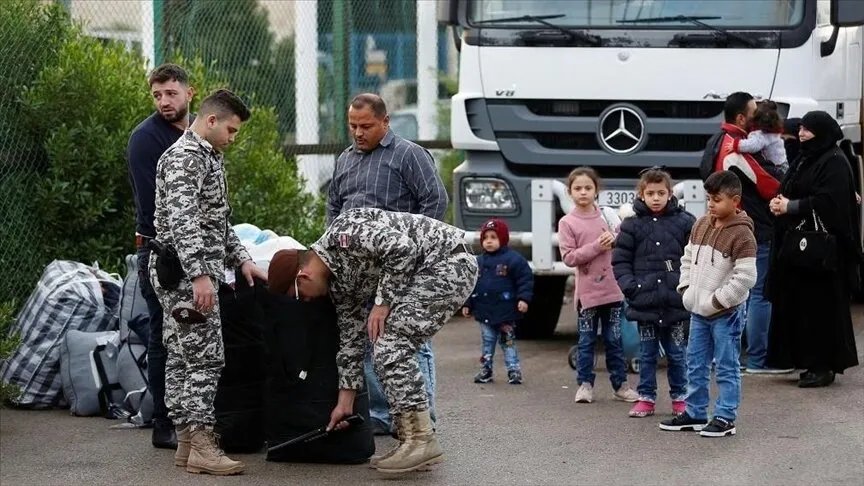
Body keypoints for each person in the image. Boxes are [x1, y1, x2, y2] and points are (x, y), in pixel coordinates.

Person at [268, 208, 478, 474]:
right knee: (383, 346)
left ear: (303, 276)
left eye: (300, 296)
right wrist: (345, 402)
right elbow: (350, 342)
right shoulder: (339, 286)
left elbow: (403, 248)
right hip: (425, 272)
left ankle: (421, 439)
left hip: (447, 261)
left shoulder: (343, 234)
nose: (307, 301)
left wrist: (383, 302)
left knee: (392, 343)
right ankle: (410, 439)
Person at [149, 89, 267, 475]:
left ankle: (186, 442)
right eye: (231, 130)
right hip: (185, 275)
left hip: (182, 272)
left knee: (182, 356)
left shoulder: (206, 157)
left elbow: (216, 221)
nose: (233, 138)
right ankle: (201, 442)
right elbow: (184, 222)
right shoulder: (186, 160)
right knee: (206, 358)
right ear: (211, 120)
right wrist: (200, 275)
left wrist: (243, 259)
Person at [327, 93, 448, 436]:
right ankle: (384, 414)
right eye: (353, 126)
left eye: (366, 126)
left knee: (410, 341)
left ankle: (424, 418)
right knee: (369, 339)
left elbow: (435, 200)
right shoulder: (345, 159)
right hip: (358, 271)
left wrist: (416, 252)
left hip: (401, 266)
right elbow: (334, 207)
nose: (358, 133)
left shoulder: (408, 155)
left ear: (385, 122)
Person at [126, 63, 194, 449]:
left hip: (195, 251)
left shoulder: (201, 130)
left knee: (193, 334)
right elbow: (156, 209)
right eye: (157, 95)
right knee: (162, 335)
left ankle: (193, 417)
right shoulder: (145, 139)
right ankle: (163, 423)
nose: (164, 102)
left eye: (170, 93)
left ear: (189, 92)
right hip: (159, 252)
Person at [660, 171, 757, 438]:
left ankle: (726, 416)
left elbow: (747, 277)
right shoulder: (701, 224)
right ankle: (695, 412)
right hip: (698, 310)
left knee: (726, 365)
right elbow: (687, 257)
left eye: (717, 199)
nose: (711, 204)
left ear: (735, 201)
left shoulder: (742, 235)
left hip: (726, 313)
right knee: (695, 362)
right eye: (708, 199)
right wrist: (686, 289)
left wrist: (717, 301)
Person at [766, 111, 860, 387]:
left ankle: (823, 366)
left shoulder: (834, 162)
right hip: (801, 253)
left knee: (821, 309)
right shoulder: (809, 158)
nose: (802, 134)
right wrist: (779, 202)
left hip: (823, 257)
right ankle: (806, 362)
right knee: (802, 307)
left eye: (809, 130)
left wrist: (791, 206)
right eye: (802, 129)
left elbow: (830, 202)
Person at [701, 92, 787, 375]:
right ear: (740, 118)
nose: (758, 117)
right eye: (753, 112)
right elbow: (768, 184)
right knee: (757, 293)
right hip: (752, 227)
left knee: (724, 289)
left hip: (722, 228)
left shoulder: (714, 142)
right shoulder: (736, 150)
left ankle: (720, 357)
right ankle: (757, 360)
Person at [612, 168, 695, 418]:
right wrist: (631, 287)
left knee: (677, 354)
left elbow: (695, 257)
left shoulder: (685, 222)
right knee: (646, 353)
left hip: (676, 302)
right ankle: (646, 397)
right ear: (641, 194)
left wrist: (688, 286)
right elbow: (621, 261)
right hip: (645, 302)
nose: (656, 198)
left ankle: (680, 397)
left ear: (670, 194)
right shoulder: (631, 225)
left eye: (661, 193)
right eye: (650, 193)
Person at [558, 167, 639, 405]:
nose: (583, 192)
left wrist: (616, 240)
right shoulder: (567, 222)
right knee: (586, 341)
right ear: (569, 192)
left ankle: (621, 386)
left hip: (613, 292)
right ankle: (584, 385)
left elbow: (624, 244)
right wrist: (597, 246)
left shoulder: (608, 216)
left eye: (588, 188)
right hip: (587, 295)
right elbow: (569, 257)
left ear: (596, 190)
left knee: (614, 340)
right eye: (577, 188)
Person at [461, 219, 533, 385]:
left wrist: (523, 299)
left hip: (506, 312)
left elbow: (525, 280)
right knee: (487, 343)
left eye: (493, 237)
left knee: (508, 342)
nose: (489, 241)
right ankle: (486, 370)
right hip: (484, 312)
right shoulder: (478, 262)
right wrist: (467, 304)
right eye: (485, 238)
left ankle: (513, 370)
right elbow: (470, 285)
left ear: (503, 239)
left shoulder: (513, 260)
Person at [732, 100, 788, 178]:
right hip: (783, 164)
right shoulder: (775, 133)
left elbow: (752, 145)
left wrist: (736, 145)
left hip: (776, 168)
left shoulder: (762, 136)